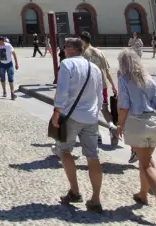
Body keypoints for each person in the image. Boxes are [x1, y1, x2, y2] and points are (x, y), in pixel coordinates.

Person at [116, 49, 156, 225]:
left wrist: (119, 124)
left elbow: (124, 106)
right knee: (146, 160)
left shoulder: (124, 80)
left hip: (136, 123)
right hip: (152, 122)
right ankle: (142, 194)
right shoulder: (150, 79)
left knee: (147, 165)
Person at [52, 37, 105, 211]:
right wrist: (95, 113)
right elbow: (100, 96)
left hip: (71, 116)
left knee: (65, 151)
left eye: (65, 47)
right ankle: (96, 199)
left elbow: (62, 91)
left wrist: (57, 112)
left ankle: (75, 191)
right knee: (93, 156)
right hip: (91, 117)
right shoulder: (94, 68)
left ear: (71, 49)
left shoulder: (67, 64)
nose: (63, 50)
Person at [80, 33, 121, 148]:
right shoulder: (99, 52)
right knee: (104, 108)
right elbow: (106, 71)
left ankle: (97, 134)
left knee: (91, 110)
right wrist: (113, 85)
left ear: (83, 41)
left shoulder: (83, 54)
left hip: (89, 86)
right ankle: (111, 126)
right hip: (102, 84)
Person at [0, 35, 19, 100]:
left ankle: (12, 93)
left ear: (1, 41)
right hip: (1, 64)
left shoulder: (8, 45)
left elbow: (14, 54)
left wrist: (16, 63)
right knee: (2, 78)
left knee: (11, 78)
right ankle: (4, 91)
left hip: (9, 64)